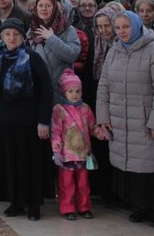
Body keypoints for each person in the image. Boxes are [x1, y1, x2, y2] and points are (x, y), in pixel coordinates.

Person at [95, 11, 154, 227]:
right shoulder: (114, 51)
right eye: (118, 27)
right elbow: (103, 86)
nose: (121, 31)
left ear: (137, 26)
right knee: (132, 170)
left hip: (145, 122)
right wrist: (102, 117)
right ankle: (143, 207)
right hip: (120, 121)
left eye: (126, 27)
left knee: (152, 169)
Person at [0, 18, 53, 222]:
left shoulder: (32, 58)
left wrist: (43, 121)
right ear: (2, 37)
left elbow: (46, 91)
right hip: (7, 122)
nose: (11, 38)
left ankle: (33, 205)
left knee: (30, 164)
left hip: (30, 123)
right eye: (7, 34)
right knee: (10, 163)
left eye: (16, 34)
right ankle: (14, 201)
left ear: (23, 37)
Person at [51, 69, 96, 220]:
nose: (75, 94)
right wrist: (56, 151)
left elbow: (92, 127)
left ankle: (84, 207)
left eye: (78, 91)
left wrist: (101, 132)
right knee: (66, 184)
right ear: (64, 92)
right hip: (66, 154)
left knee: (83, 183)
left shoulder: (86, 108)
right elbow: (56, 131)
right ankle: (67, 208)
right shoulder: (59, 110)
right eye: (71, 91)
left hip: (83, 153)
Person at [28, 0, 81, 92]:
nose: (44, 9)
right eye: (40, 5)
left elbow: (72, 55)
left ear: (54, 8)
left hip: (62, 88)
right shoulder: (31, 31)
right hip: (39, 90)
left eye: (48, 6)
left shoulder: (67, 29)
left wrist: (51, 38)